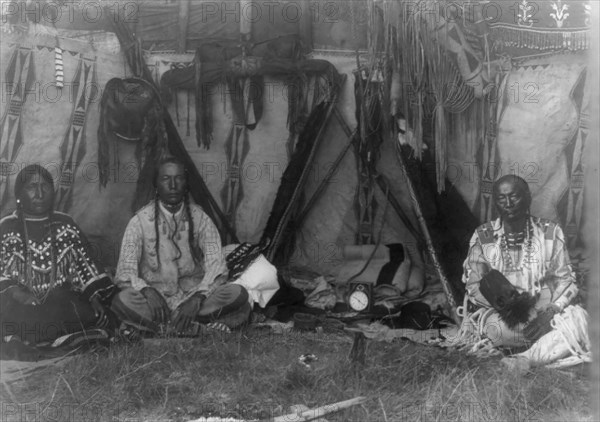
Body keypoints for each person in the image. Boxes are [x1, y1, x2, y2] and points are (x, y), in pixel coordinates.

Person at [112, 156, 278, 335]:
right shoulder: (139, 222)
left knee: (237, 294)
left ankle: (164, 328)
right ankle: (195, 328)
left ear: (186, 184)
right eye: (166, 179)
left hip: (195, 299)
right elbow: (124, 272)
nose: (173, 185)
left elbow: (217, 267)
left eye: (179, 178)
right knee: (122, 300)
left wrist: (198, 297)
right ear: (156, 185)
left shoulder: (201, 219)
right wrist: (146, 291)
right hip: (156, 302)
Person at [461, 174, 590, 369]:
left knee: (580, 319)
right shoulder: (483, 236)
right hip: (506, 318)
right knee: (499, 330)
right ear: (495, 202)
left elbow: (567, 281)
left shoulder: (550, 232)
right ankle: (548, 348)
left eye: (514, 196)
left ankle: (525, 359)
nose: (508, 203)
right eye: (501, 198)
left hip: (546, 311)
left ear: (527, 197)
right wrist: (506, 307)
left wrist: (549, 314)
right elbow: (472, 284)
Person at [0, 165, 119, 349]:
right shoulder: (7, 227)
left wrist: (93, 298)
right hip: (20, 304)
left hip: (58, 302)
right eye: (32, 187)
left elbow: (84, 267)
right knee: (9, 313)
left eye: (45, 187)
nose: (39, 193)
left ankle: (38, 339)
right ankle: (63, 337)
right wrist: (18, 293)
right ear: (19, 194)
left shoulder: (65, 224)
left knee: (92, 313)